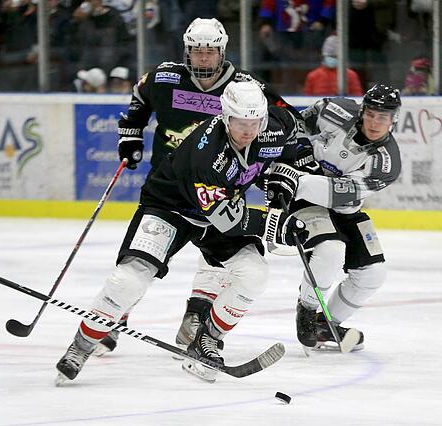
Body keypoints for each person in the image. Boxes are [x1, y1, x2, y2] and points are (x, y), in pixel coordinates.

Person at [55, 81, 309, 384]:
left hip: (216, 211)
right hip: (171, 208)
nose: (247, 130)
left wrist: (282, 175)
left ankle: (205, 341)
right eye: (240, 122)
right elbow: (227, 219)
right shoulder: (207, 154)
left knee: (255, 274)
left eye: (254, 122)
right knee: (129, 279)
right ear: (226, 118)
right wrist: (276, 224)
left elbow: (296, 137)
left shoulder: (274, 125)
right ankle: (81, 346)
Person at [103, 17, 300, 358]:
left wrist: (283, 164)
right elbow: (139, 97)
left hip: (218, 184)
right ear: (187, 51)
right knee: (145, 259)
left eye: (211, 52)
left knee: (218, 257)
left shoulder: (243, 86)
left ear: (222, 51)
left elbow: (285, 118)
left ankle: (195, 320)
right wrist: (131, 132)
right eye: (197, 51)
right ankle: (114, 315)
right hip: (170, 186)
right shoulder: (165, 77)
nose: (204, 58)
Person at [266, 84, 402, 353]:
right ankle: (306, 309)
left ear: (393, 120)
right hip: (305, 200)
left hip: (340, 206)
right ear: (363, 111)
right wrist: (297, 151)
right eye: (372, 114)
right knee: (330, 250)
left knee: (373, 274)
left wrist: (293, 179)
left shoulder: (386, 162)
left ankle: (324, 325)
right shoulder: (334, 110)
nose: (376, 122)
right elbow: (295, 126)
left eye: (383, 117)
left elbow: (341, 192)